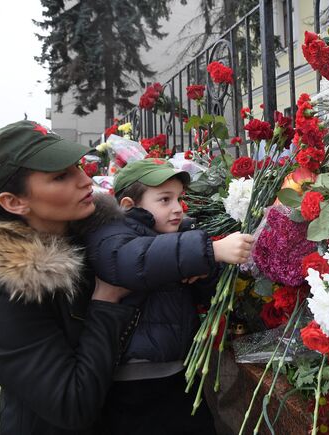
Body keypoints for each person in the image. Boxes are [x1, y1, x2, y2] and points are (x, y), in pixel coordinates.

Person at [0, 120, 136, 435]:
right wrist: (106, 303)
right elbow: (72, 404)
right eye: (61, 176)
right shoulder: (3, 293)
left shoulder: (92, 240)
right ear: (14, 202)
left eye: (77, 167)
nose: (85, 181)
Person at [83, 158, 253, 435]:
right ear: (128, 206)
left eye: (179, 199)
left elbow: (207, 292)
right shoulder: (111, 235)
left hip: (180, 372)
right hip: (134, 383)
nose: (177, 209)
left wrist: (204, 271)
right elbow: (133, 260)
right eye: (164, 200)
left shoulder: (179, 237)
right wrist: (211, 252)